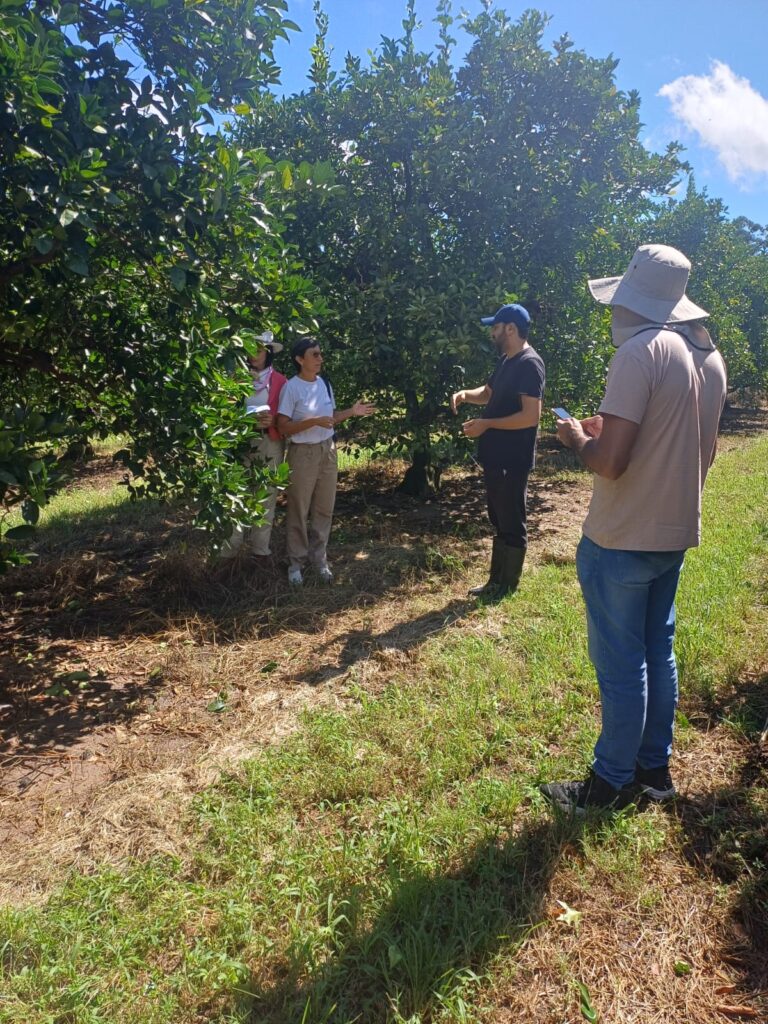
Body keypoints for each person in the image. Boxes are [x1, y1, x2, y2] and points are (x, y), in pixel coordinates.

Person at [540, 244, 727, 815]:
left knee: (622, 664)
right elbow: (694, 449)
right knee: (656, 652)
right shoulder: (707, 356)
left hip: (621, 536)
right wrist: (611, 434)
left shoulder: (641, 351)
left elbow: (611, 462)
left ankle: (608, 785)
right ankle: (652, 771)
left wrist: (578, 438)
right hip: (673, 531)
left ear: (632, 298)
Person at [451, 303, 545, 601]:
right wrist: (466, 394)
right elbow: (489, 393)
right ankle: (496, 582)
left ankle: (507, 586)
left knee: (511, 519)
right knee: (499, 517)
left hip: (512, 458)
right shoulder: (507, 360)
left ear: (511, 329)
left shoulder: (530, 364)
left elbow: (531, 416)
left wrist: (486, 423)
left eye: (495, 327)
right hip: (496, 457)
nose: (492, 333)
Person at [277, 338, 376, 586]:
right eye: (315, 354)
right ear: (300, 359)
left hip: (327, 451)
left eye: (321, 354)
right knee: (298, 509)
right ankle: (295, 563)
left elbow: (329, 418)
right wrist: (312, 422)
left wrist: (351, 412)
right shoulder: (291, 388)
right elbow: (283, 427)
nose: (320, 359)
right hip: (303, 454)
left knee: (324, 508)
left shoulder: (324, 383)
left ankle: (319, 560)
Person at [220, 331, 287, 559]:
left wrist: (274, 420)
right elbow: (223, 410)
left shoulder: (280, 381)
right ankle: (229, 553)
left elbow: (287, 415)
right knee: (236, 496)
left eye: (258, 349)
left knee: (266, 496)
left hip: (269, 442)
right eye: (248, 349)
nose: (253, 354)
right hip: (240, 442)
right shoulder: (236, 378)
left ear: (268, 353)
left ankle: (260, 551)